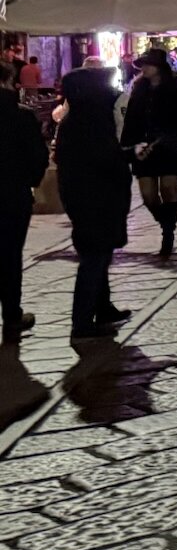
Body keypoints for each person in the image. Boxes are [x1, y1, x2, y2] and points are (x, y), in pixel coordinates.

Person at [54, 60, 133, 339]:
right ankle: (82, 321)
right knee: (94, 258)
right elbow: (105, 161)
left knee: (101, 255)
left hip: (91, 200)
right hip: (95, 201)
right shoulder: (87, 125)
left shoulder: (76, 121)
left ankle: (102, 307)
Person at [122, 48, 177, 259]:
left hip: (170, 147)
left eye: (148, 64)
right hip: (144, 147)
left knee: (168, 188)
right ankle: (165, 222)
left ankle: (168, 231)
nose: (144, 69)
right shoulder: (138, 88)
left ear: (159, 66)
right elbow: (131, 118)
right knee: (148, 195)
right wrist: (128, 148)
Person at [0, 65, 47, 340]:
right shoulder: (21, 117)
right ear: (8, 81)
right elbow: (37, 157)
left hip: (13, 193)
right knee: (9, 255)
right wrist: (29, 181)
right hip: (11, 195)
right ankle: (12, 314)